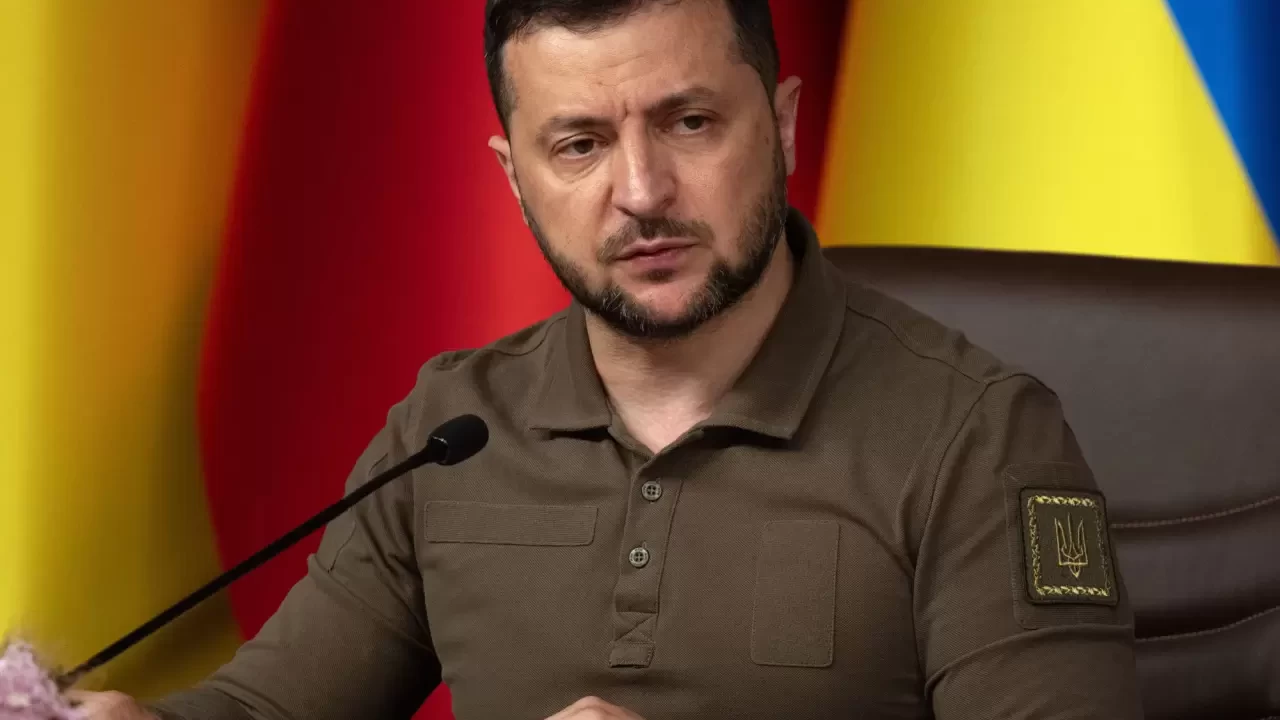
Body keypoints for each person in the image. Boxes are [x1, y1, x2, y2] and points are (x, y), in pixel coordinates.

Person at [74, 0, 1145, 718]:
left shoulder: (980, 434)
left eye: (689, 123)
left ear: (780, 125)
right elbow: (265, 708)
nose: (639, 193)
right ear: (514, 179)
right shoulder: (452, 428)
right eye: (579, 144)